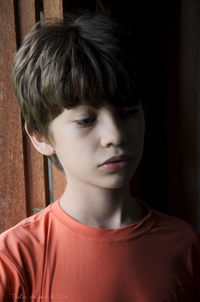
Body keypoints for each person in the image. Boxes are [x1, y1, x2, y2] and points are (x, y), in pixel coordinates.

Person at [0, 11, 199, 302]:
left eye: (129, 113)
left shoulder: (183, 244)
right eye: (86, 120)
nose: (115, 136)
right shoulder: (16, 258)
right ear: (41, 137)